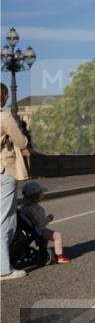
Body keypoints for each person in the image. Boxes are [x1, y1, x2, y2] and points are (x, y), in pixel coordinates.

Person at [1, 83, 30, 280]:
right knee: (5, 220)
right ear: (3, 97)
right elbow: (21, 142)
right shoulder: (4, 116)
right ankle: (3, 269)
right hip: (4, 171)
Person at [20, 181, 70, 264]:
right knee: (57, 236)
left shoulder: (24, 207)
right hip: (39, 230)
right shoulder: (35, 209)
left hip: (31, 230)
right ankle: (60, 256)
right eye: (40, 194)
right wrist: (49, 218)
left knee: (45, 237)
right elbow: (41, 223)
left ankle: (42, 251)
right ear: (35, 196)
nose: (42, 195)